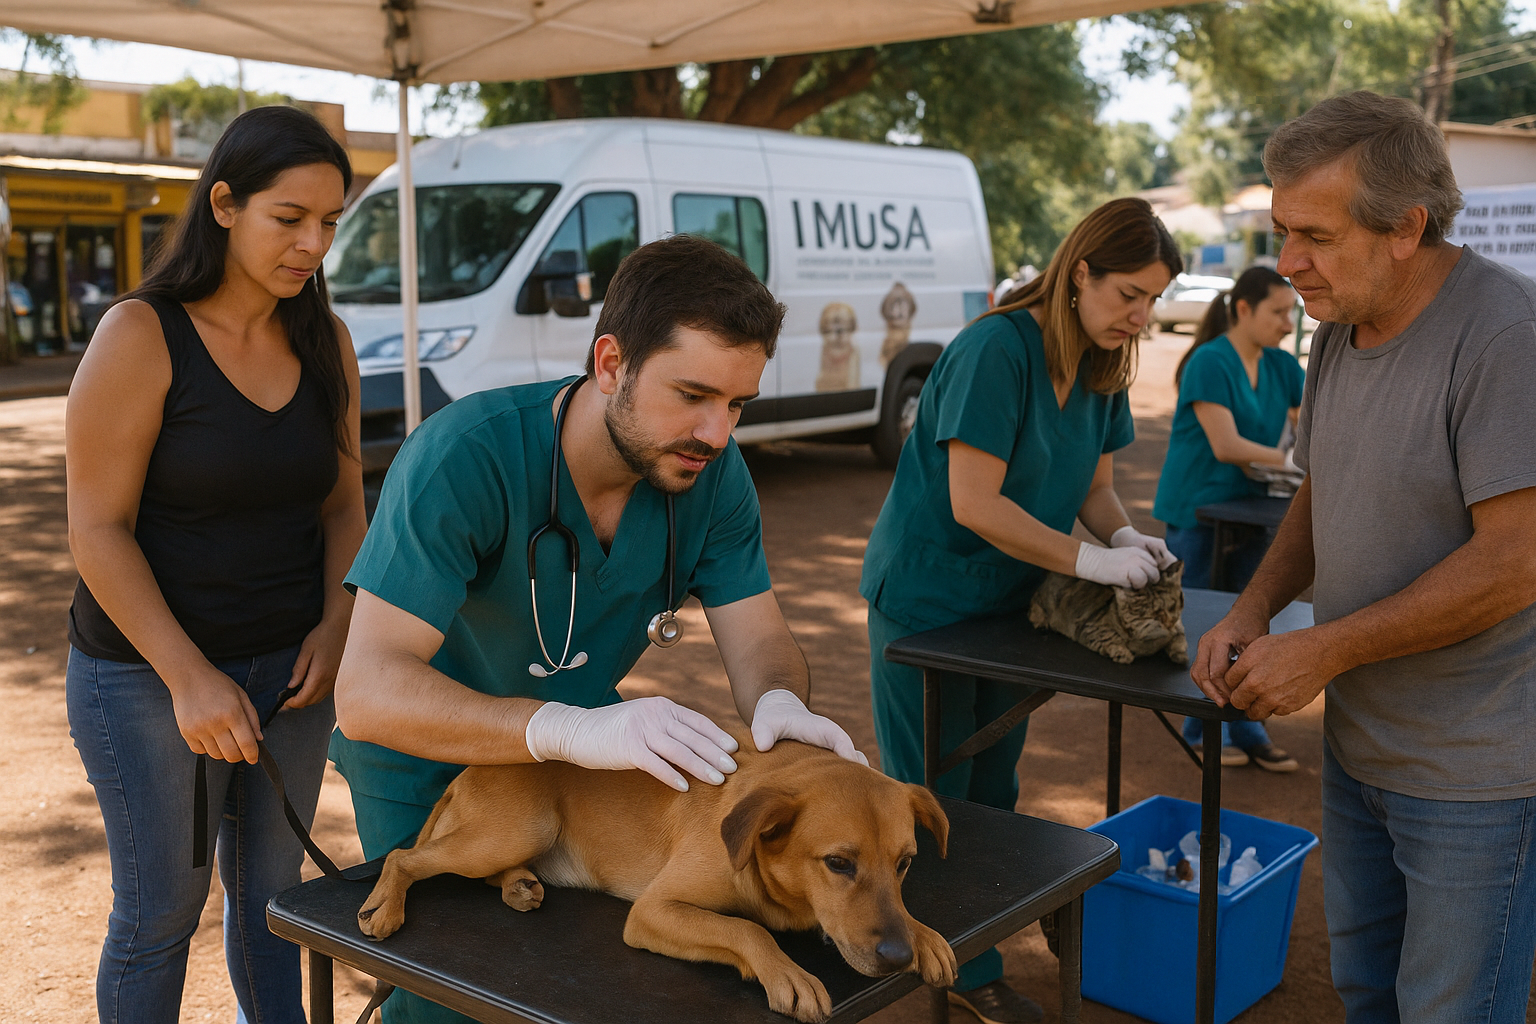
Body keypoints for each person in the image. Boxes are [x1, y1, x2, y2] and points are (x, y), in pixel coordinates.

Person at [332, 234, 864, 1024]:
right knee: (451, 1002)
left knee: (578, 988)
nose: (717, 434)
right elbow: (369, 693)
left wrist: (782, 705)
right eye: (693, 395)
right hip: (424, 758)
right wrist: (564, 726)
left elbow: (758, 640)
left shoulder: (711, 476)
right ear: (610, 363)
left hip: (586, 779)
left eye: (737, 404)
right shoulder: (465, 458)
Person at [1194, 91, 1536, 1023]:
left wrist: (1328, 647)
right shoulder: (1337, 327)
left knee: (1449, 1012)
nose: (1286, 261)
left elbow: (1517, 562)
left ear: (1405, 228)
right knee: (1367, 997)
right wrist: (1254, 607)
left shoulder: (1505, 336)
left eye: (1314, 233)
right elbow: (1322, 487)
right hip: (1362, 749)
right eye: (1280, 228)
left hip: (1477, 776)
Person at [63, 105, 366, 1024]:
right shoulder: (140, 334)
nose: (312, 243)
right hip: (147, 679)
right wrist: (189, 677)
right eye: (290, 218)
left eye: (329, 222)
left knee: (278, 912)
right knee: (161, 915)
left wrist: (337, 624)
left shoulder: (327, 341)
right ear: (225, 205)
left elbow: (346, 505)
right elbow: (98, 530)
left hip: (292, 676)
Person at [860, 197, 1181, 1024]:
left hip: (1010, 602)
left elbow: (1097, 488)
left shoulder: (1108, 362)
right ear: (1081, 272)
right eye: (1129, 295)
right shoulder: (994, 350)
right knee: (928, 795)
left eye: (1153, 300)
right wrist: (1092, 559)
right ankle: (953, 971)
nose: (1141, 316)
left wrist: (1129, 539)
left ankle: (973, 952)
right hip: (926, 600)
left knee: (994, 786)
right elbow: (975, 503)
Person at [1153, 266, 1304, 773]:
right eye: (1278, 312)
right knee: (1202, 617)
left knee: (1250, 620)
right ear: (1243, 309)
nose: (1288, 323)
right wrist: (1294, 463)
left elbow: (1318, 425)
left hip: (1249, 509)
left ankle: (1240, 722)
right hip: (1198, 509)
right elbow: (1226, 445)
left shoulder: (1283, 368)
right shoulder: (1209, 361)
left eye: (1292, 313)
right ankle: (1203, 723)